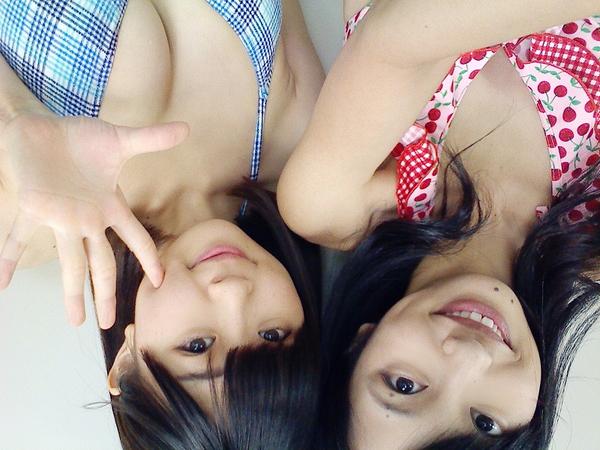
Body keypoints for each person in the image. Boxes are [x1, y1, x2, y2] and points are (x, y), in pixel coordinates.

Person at [0, 0, 323, 448]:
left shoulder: (25, 218)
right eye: (272, 335)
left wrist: (15, 116)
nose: (234, 293)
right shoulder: (297, 140)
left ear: (126, 365)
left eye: (197, 346)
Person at [277, 0, 600, 448]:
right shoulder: (590, 236)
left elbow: (395, 43)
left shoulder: (336, 205)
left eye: (404, 385)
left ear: (358, 347)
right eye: (485, 422)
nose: (469, 356)